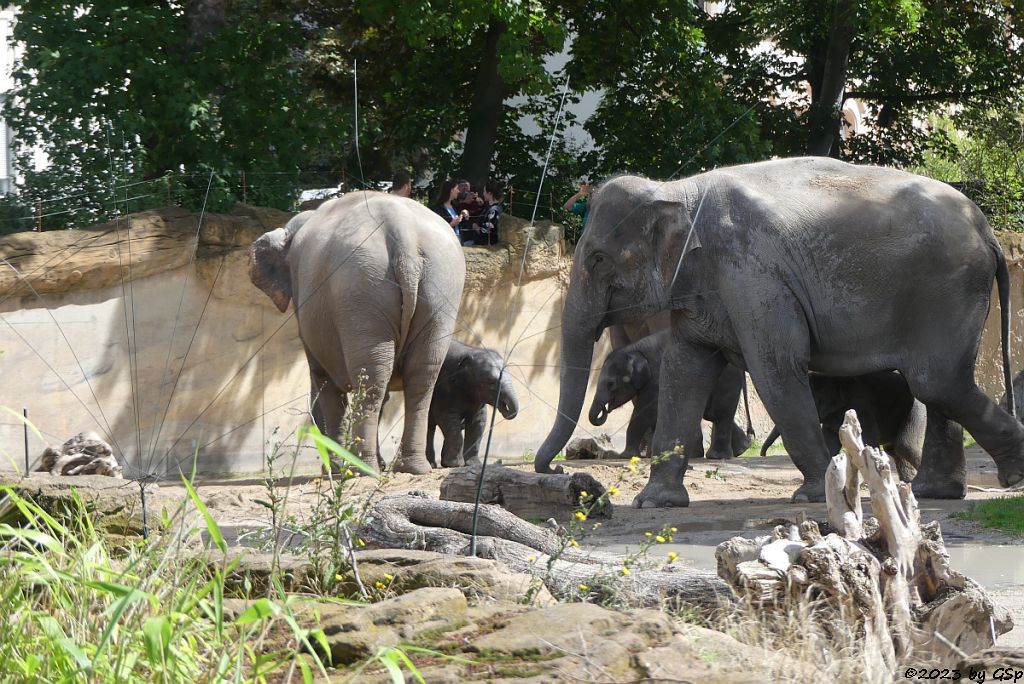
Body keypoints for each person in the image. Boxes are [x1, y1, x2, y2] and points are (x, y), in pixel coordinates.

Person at [463, 181, 504, 246]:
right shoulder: (490, 207)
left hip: (485, 244)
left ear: (489, 193)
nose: (483, 193)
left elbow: (485, 231)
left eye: (484, 191)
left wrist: (475, 226)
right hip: (480, 241)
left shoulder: (494, 210)